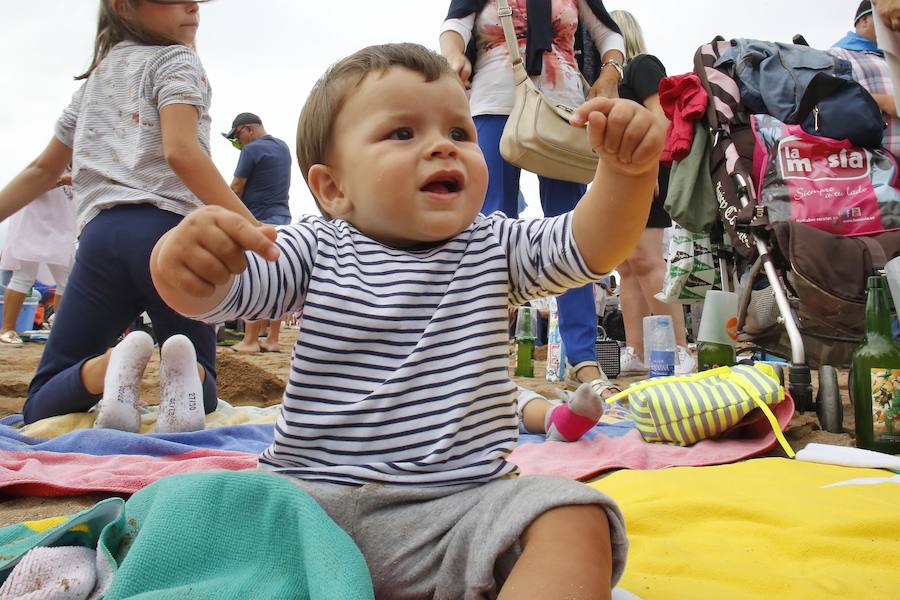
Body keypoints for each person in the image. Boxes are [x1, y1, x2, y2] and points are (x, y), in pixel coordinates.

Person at [151, 42, 664, 599]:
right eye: (402, 133)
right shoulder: (315, 248)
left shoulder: (496, 245)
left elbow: (591, 246)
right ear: (333, 188)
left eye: (460, 133)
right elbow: (222, 294)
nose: (442, 146)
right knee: (184, 505)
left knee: (575, 515)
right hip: (305, 510)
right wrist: (181, 262)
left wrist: (626, 172)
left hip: (454, 515)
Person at [0, 0, 255, 430]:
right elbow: (181, 151)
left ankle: (109, 368)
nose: (193, 5)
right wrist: (253, 228)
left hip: (102, 238)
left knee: (42, 400)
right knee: (203, 386)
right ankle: (186, 379)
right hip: (174, 239)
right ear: (124, 6)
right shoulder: (175, 59)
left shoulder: (94, 81)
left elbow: (43, 169)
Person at [439, 0, 626, 392]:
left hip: (564, 111)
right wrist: (454, 55)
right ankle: (480, 358)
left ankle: (584, 359)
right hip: (492, 103)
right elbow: (454, 26)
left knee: (575, 232)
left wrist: (611, 72)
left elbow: (610, 34)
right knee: (488, 226)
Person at [607, 10, 694, 375]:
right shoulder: (608, 83)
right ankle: (638, 351)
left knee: (645, 258)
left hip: (647, 169)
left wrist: (646, 166)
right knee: (627, 267)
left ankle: (679, 348)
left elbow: (661, 117)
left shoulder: (641, 65)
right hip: (622, 173)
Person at [222, 112, 292, 353]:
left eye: (237, 137)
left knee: (254, 277)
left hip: (257, 219)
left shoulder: (250, 151)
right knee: (280, 279)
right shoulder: (282, 148)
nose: (238, 143)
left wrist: (226, 215)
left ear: (247, 129)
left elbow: (236, 187)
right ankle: (272, 339)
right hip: (283, 219)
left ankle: (250, 341)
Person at [0, 174, 75, 346]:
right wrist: (64, 179)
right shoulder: (54, 163)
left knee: (68, 280)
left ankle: (61, 330)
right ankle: (6, 330)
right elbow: (35, 180)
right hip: (33, 225)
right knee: (23, 276)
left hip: (60, 229)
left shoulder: (77, 165)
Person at [829, 0, 900, 158]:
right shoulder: (838, 55)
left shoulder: (894, 56)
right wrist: (886, 102)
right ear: (864, 21)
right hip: (876, 167)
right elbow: (832, 105)